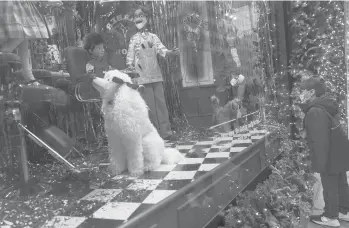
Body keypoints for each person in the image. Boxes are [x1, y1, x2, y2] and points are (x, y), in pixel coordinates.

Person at [299, 76, 349, 227]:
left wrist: (320, 164)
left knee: (330, 185)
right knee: (341, 182)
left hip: (329, 154)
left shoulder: (315, 111)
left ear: (312, 92)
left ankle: (330, 216)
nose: (300, 94)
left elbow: (320, 140)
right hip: (339, 150)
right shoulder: (327, 105)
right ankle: (344, 211)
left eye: (303, 91)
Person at [126, 6, 179, 141]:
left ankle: (166, 132)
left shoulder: (153, 37)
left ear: (147, 18)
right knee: (149, 107)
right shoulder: (133, 39)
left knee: (161, 104)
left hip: (155, 74)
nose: (139, 18)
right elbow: (130, 59)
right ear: (133, 20)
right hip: (142, 77)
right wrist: (132, 72)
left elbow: (162, 50)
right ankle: (154, 134)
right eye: (136, 16)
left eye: (142, 15)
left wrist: (171, 52)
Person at [0, 1, 58, 85]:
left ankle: (28, 75)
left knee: (24, 38)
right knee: (22, 35)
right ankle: (4, 53)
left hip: (19, 4)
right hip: (13, 4)